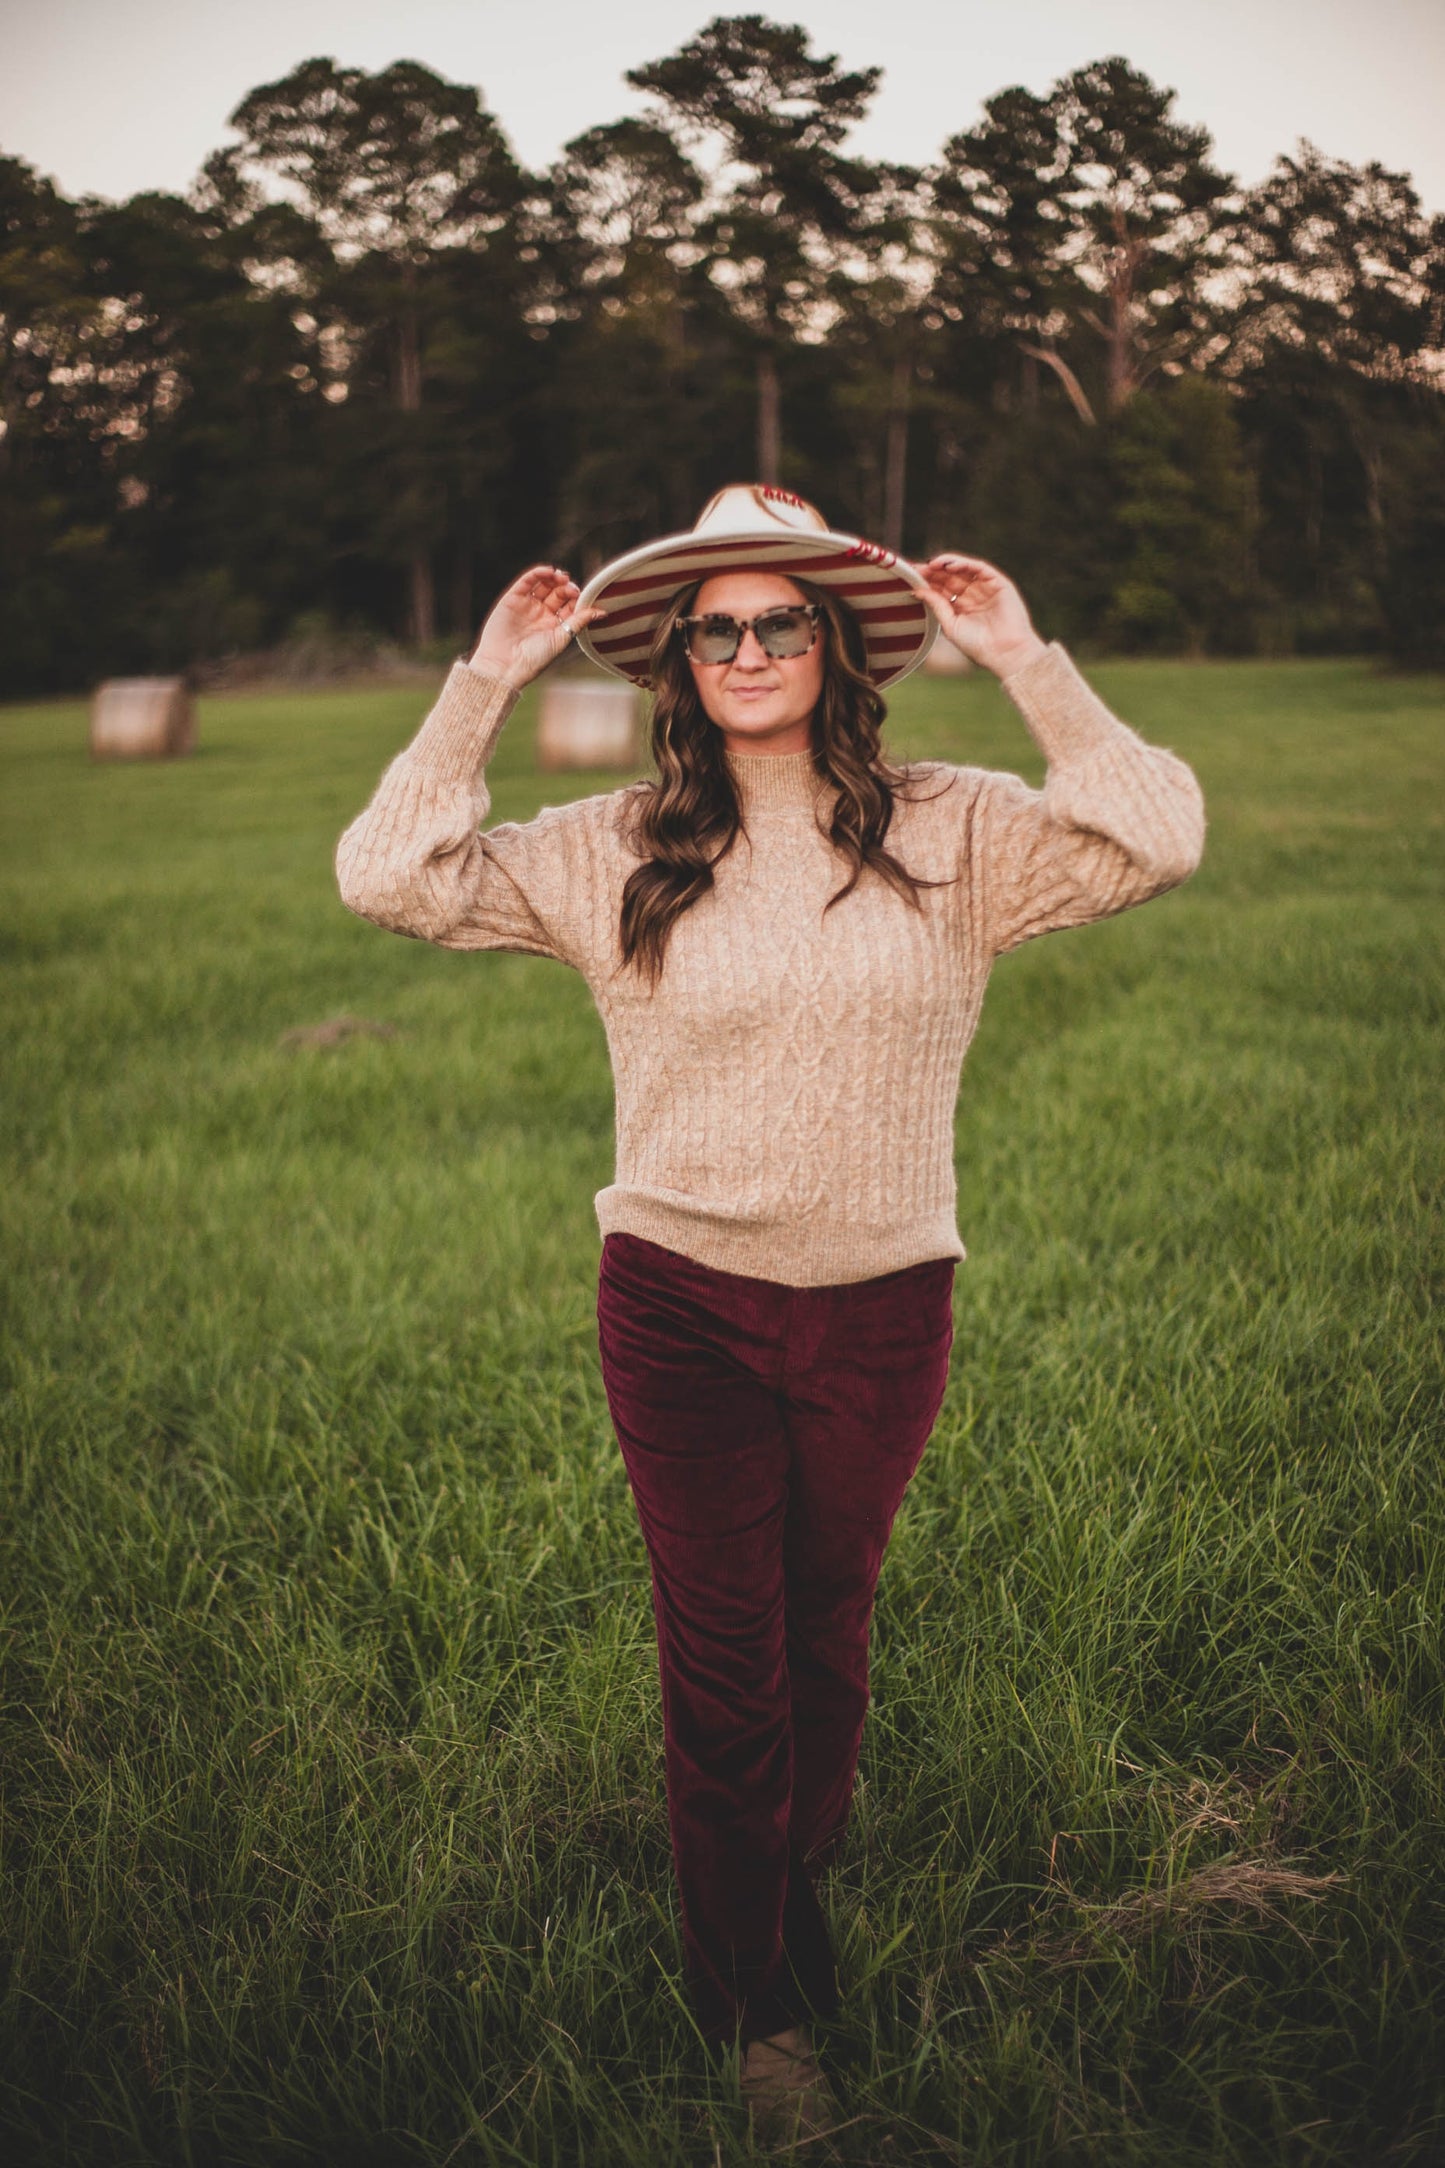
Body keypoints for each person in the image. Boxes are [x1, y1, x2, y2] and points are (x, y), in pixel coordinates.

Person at [335, 485, 1206, 2151]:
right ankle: (761, 2007)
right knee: (726, 1664)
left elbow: (1158, 834)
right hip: (678, 1305)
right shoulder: (613, 850)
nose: (747, 648)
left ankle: (784, 1856)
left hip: (886, 1302)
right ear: (682, 658)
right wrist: (483, 682)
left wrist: (1023, 654)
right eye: (716, 625)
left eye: (779, 620)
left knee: (828, 1629)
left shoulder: (953, 829)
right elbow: (385, 878)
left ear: (832, 646)